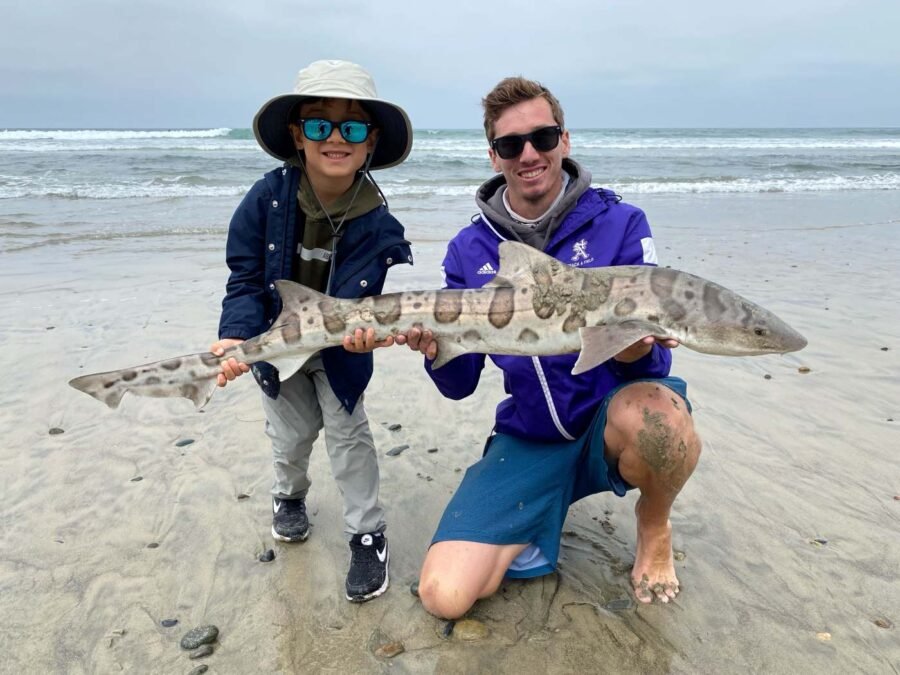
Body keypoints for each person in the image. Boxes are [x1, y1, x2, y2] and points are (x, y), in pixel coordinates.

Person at [401, 76, 701, 619]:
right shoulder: (471, 250)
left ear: (564, 139)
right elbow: (459, 384)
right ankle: (541, 511)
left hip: (610, 421)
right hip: (531, 435)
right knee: (444, 596)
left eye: (542, 137)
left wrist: (631, 346)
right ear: (495, 156)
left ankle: (654, 526)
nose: (530, 154)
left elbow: (656, 362)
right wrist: (431, 347)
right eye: (512, 145)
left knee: (659, 419)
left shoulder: (619, 224)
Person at [210, 60, 414, 603]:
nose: (335, 138)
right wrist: (236, 336)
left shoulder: (380, 224)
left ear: (370, 142)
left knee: (350, 438)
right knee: (292, 434)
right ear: (298, 136)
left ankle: (367, 534)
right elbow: (246, 276)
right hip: (280, 339)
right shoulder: (264, 199)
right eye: (320, 125)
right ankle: (289, 496)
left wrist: (369, 334)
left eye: (351, 127)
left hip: (341, 348)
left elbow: (367, 304)